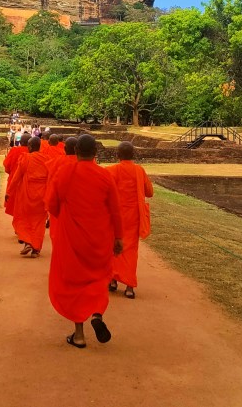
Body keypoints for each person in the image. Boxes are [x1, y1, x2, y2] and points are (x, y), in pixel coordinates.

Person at [46, 133, 123, 349]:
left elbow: (52, 205)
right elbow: (116, 211)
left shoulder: (65, 172)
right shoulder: (104, 176)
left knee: (74, 282)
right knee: (99, 277)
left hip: (72, 238)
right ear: (95, 153)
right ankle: (97, 314)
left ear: (76, 152)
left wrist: (67, 215)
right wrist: (118, 237)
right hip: (99, 238)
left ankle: (79, 335)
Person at [107, 141, 153, 299]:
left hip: (115, 216)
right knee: (131, 250)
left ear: (117, 155)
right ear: (133, 155)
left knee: (113, 246)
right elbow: (150, 192)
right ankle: (129, 287)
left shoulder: (112, 170)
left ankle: (112, 280)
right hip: (133, 216)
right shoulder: (139, 171)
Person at [10, 136, 49, 256]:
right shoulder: (47, 159)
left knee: (25, 219)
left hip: (27, 195)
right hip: (42, 196)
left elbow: (17, 177)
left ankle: (28, 242)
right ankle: (36, 249)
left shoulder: (26, 158)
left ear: (30, 147)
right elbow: (52, 177)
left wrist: (9, 192)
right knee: (39, 222)